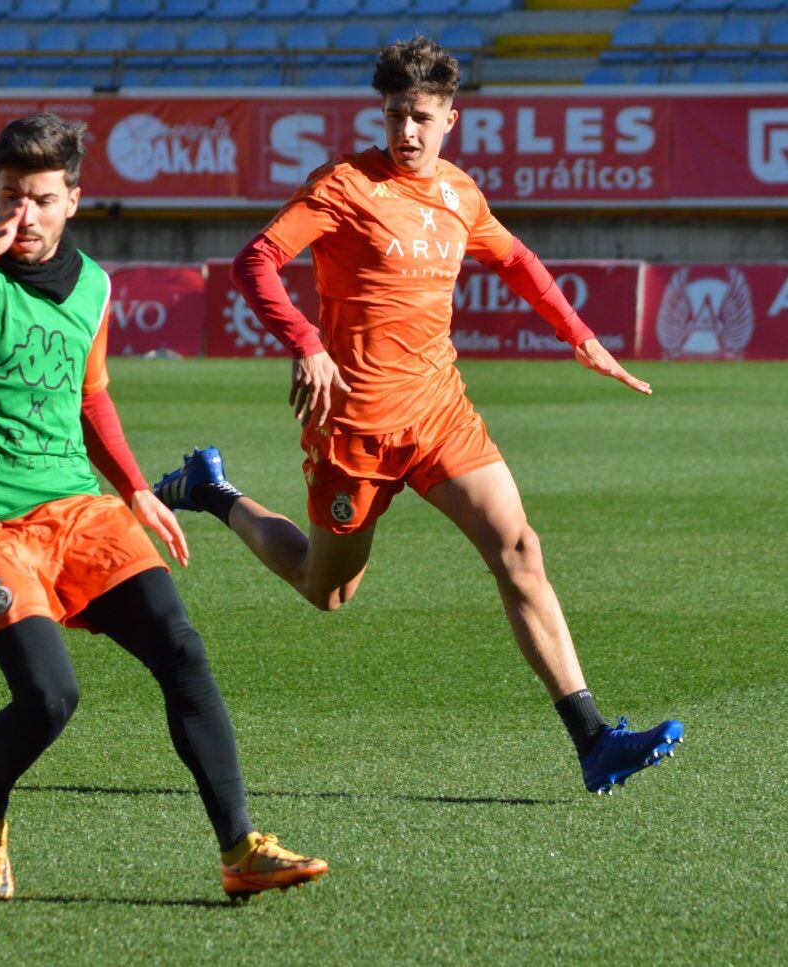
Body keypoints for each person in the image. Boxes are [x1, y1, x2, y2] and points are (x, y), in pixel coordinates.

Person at [155, 39, 683, 796]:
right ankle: (213, 492)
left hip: (440, 414)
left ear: (450, 120)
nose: (407, 130)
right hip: (356, 425)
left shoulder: (460, 194)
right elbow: (256, 260)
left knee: (520, 550)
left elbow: (518, 261)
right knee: (325, 587)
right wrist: (306, 342)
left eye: (422, 117)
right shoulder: (343, 185)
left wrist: (582, 338)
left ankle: (594, 739)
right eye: (396, 114)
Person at [0, 113, 326, 902]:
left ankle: (240, 847)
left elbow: (90, 393)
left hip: (76, 508)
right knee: (49, 698)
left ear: (72, 200)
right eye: (7, 197)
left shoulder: (93, 285)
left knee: (180, 646)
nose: (20, 215)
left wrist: (133, 486)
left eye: (38, 199)